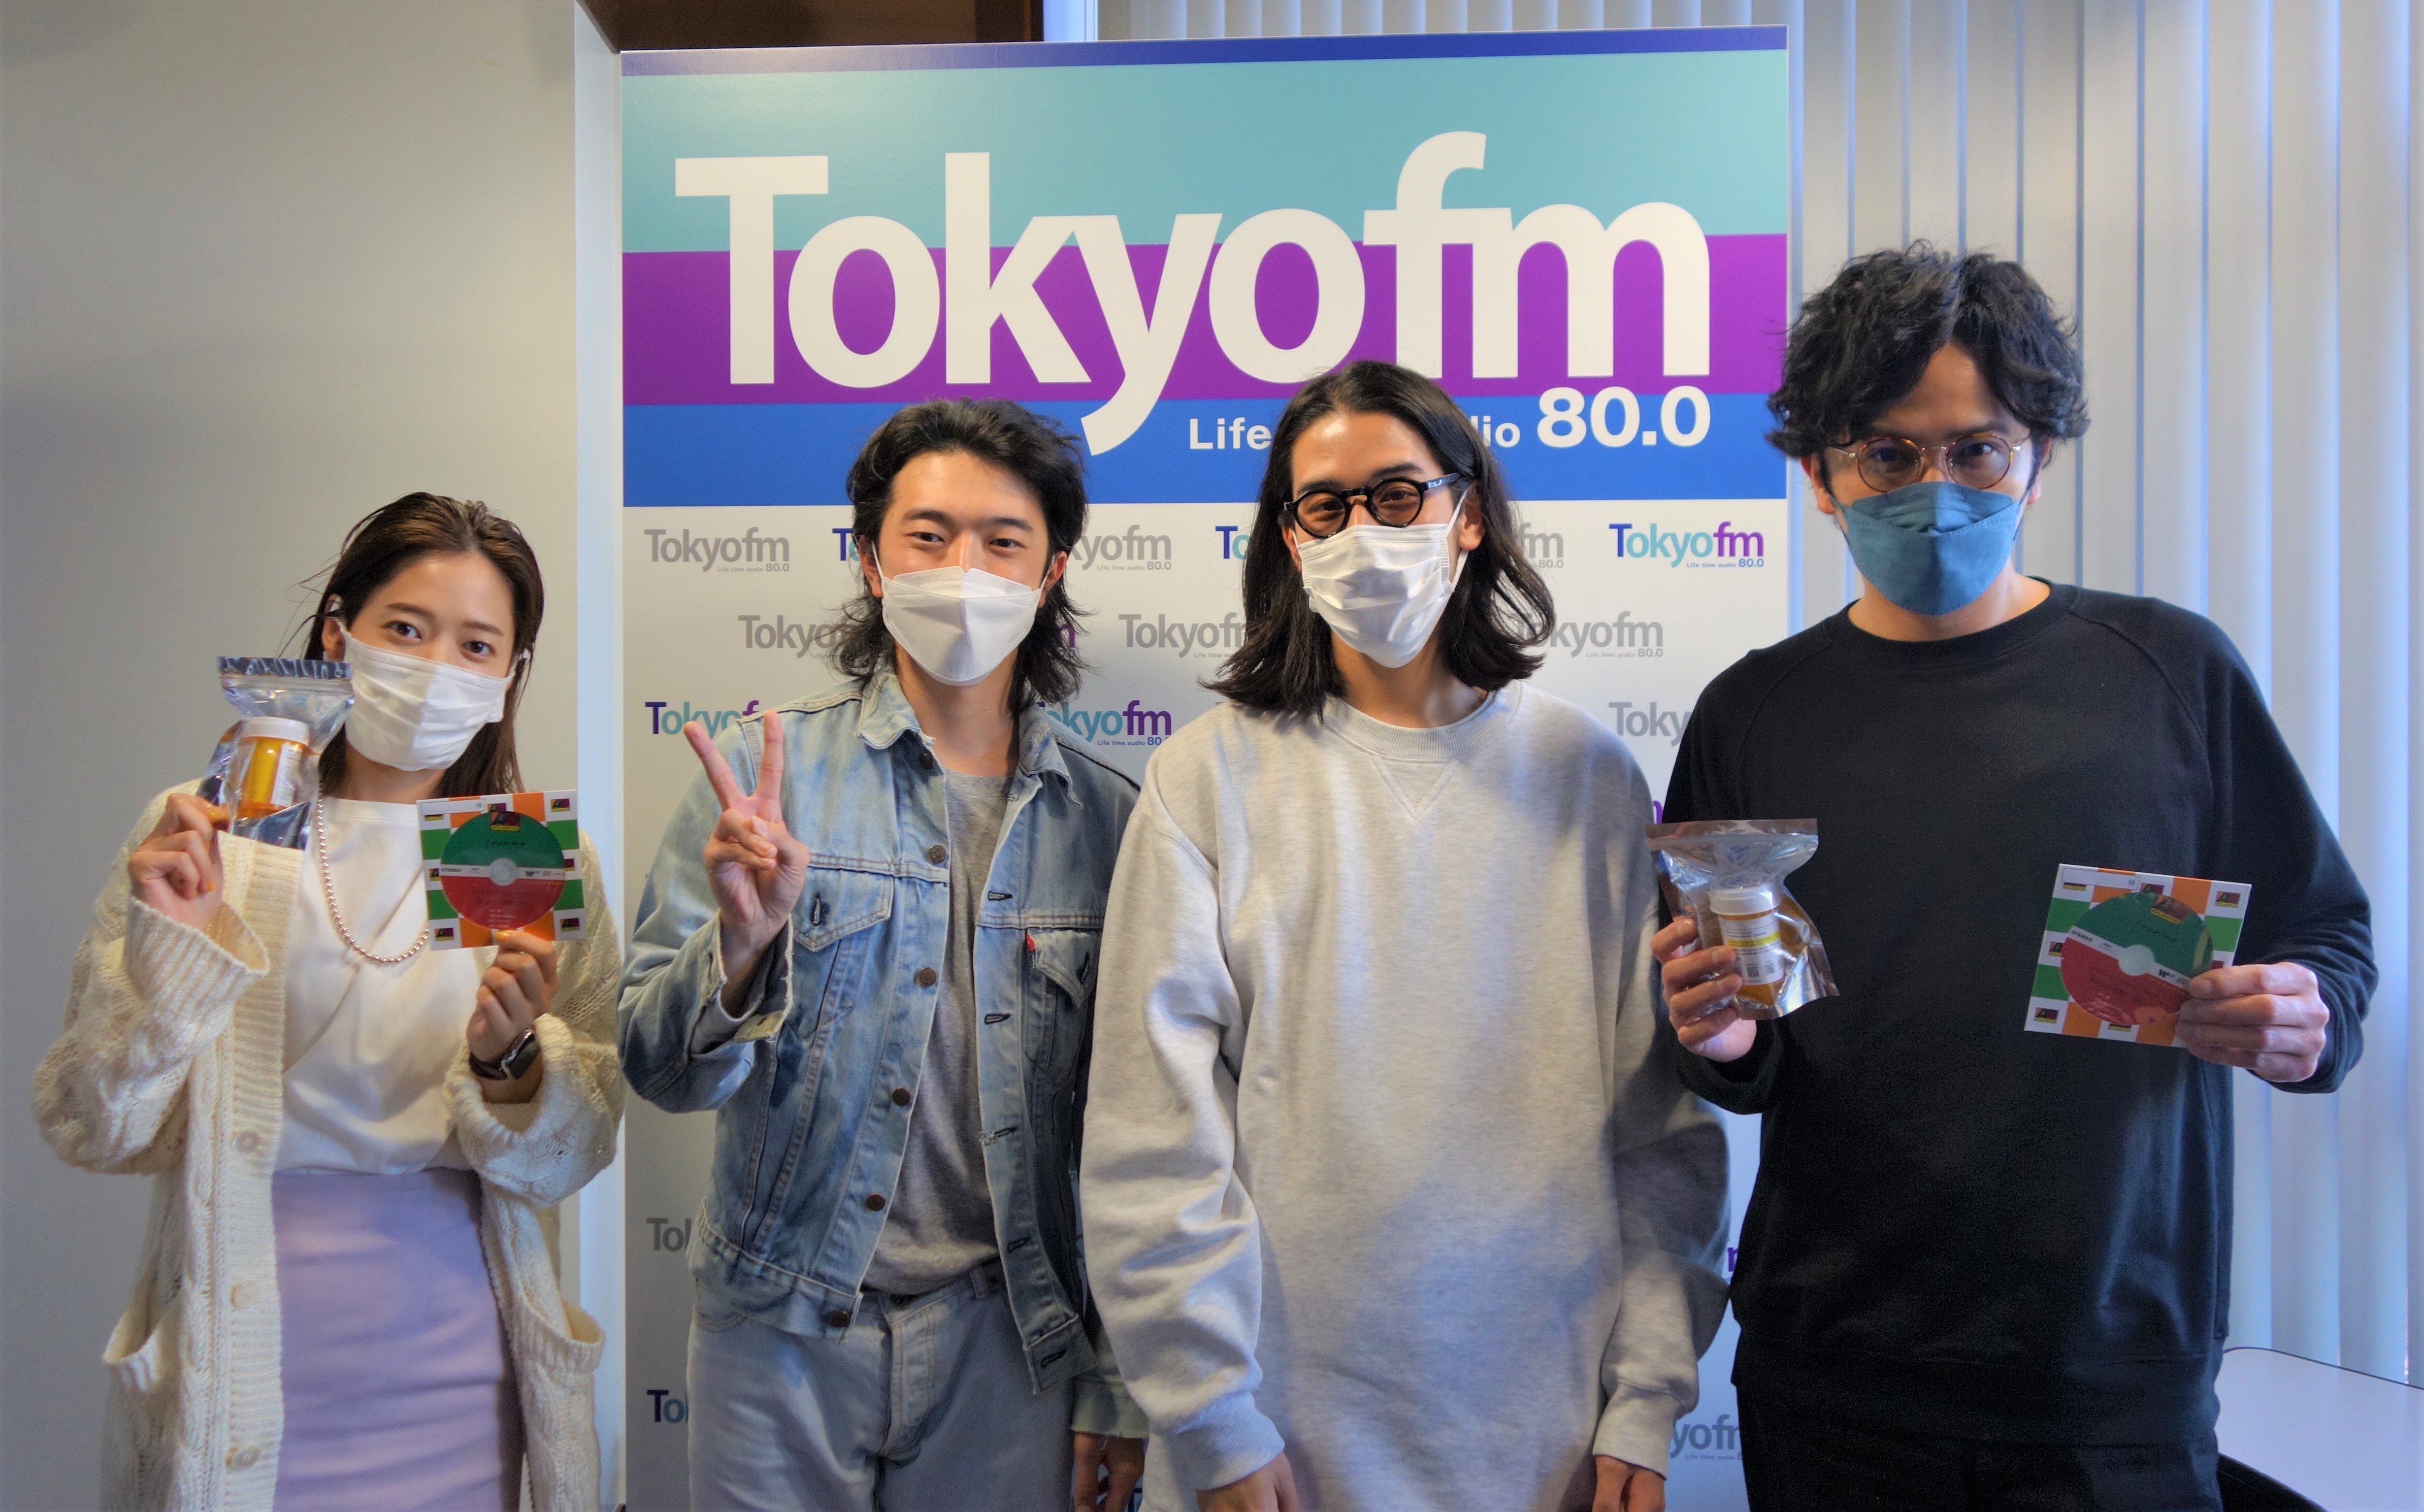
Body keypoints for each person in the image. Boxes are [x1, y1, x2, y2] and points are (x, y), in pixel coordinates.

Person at [1656, 245, 2377, 1512]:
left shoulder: (2170, 675)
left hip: (2109, 1378)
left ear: (2037, 459)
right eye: (1888, 454)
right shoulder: (1752, 712)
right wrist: (1713, 1041)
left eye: (1976, 450)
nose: (1934, 489)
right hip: (1833, 1380)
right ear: (1821, 473)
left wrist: (2303, 1012)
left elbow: (2327, 932)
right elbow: (1749, 1053)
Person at [1080, 359, 1729, 1512]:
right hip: (1274, 1436)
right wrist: (1213, 1417)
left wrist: (1644, 1398)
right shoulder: (1204, 780)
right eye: (1324, 507)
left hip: (1544, 1430)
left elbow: (1657, 1132)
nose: (1362, 532)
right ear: (1290, 539)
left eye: (1396, 495)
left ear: (1468, 514)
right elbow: (1152, 1139)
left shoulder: (1587, 776)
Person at [34, 493, 623, 1512]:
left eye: (476, 645)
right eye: (407, 629)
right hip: (243, 1349)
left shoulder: (527, 854)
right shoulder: (208, 833)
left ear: (509, 675)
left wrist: (511, 1063)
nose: (436, 667)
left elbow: (579, 1149)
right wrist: (178, 960)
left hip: (462, 1362)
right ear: (336, 634)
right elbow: (94, 1124)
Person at [621, 399, 1149, 1512]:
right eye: (927, 535)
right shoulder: (765, 784)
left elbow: (1134, 1134)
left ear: (1050, 570)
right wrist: (738, 953)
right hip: (778, 1332)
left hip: (1011, 1346)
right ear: (870, 560)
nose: (963, 569)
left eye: (1002, 541)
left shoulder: (1110, 820)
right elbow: (659, 1072)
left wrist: (1114, 1380)